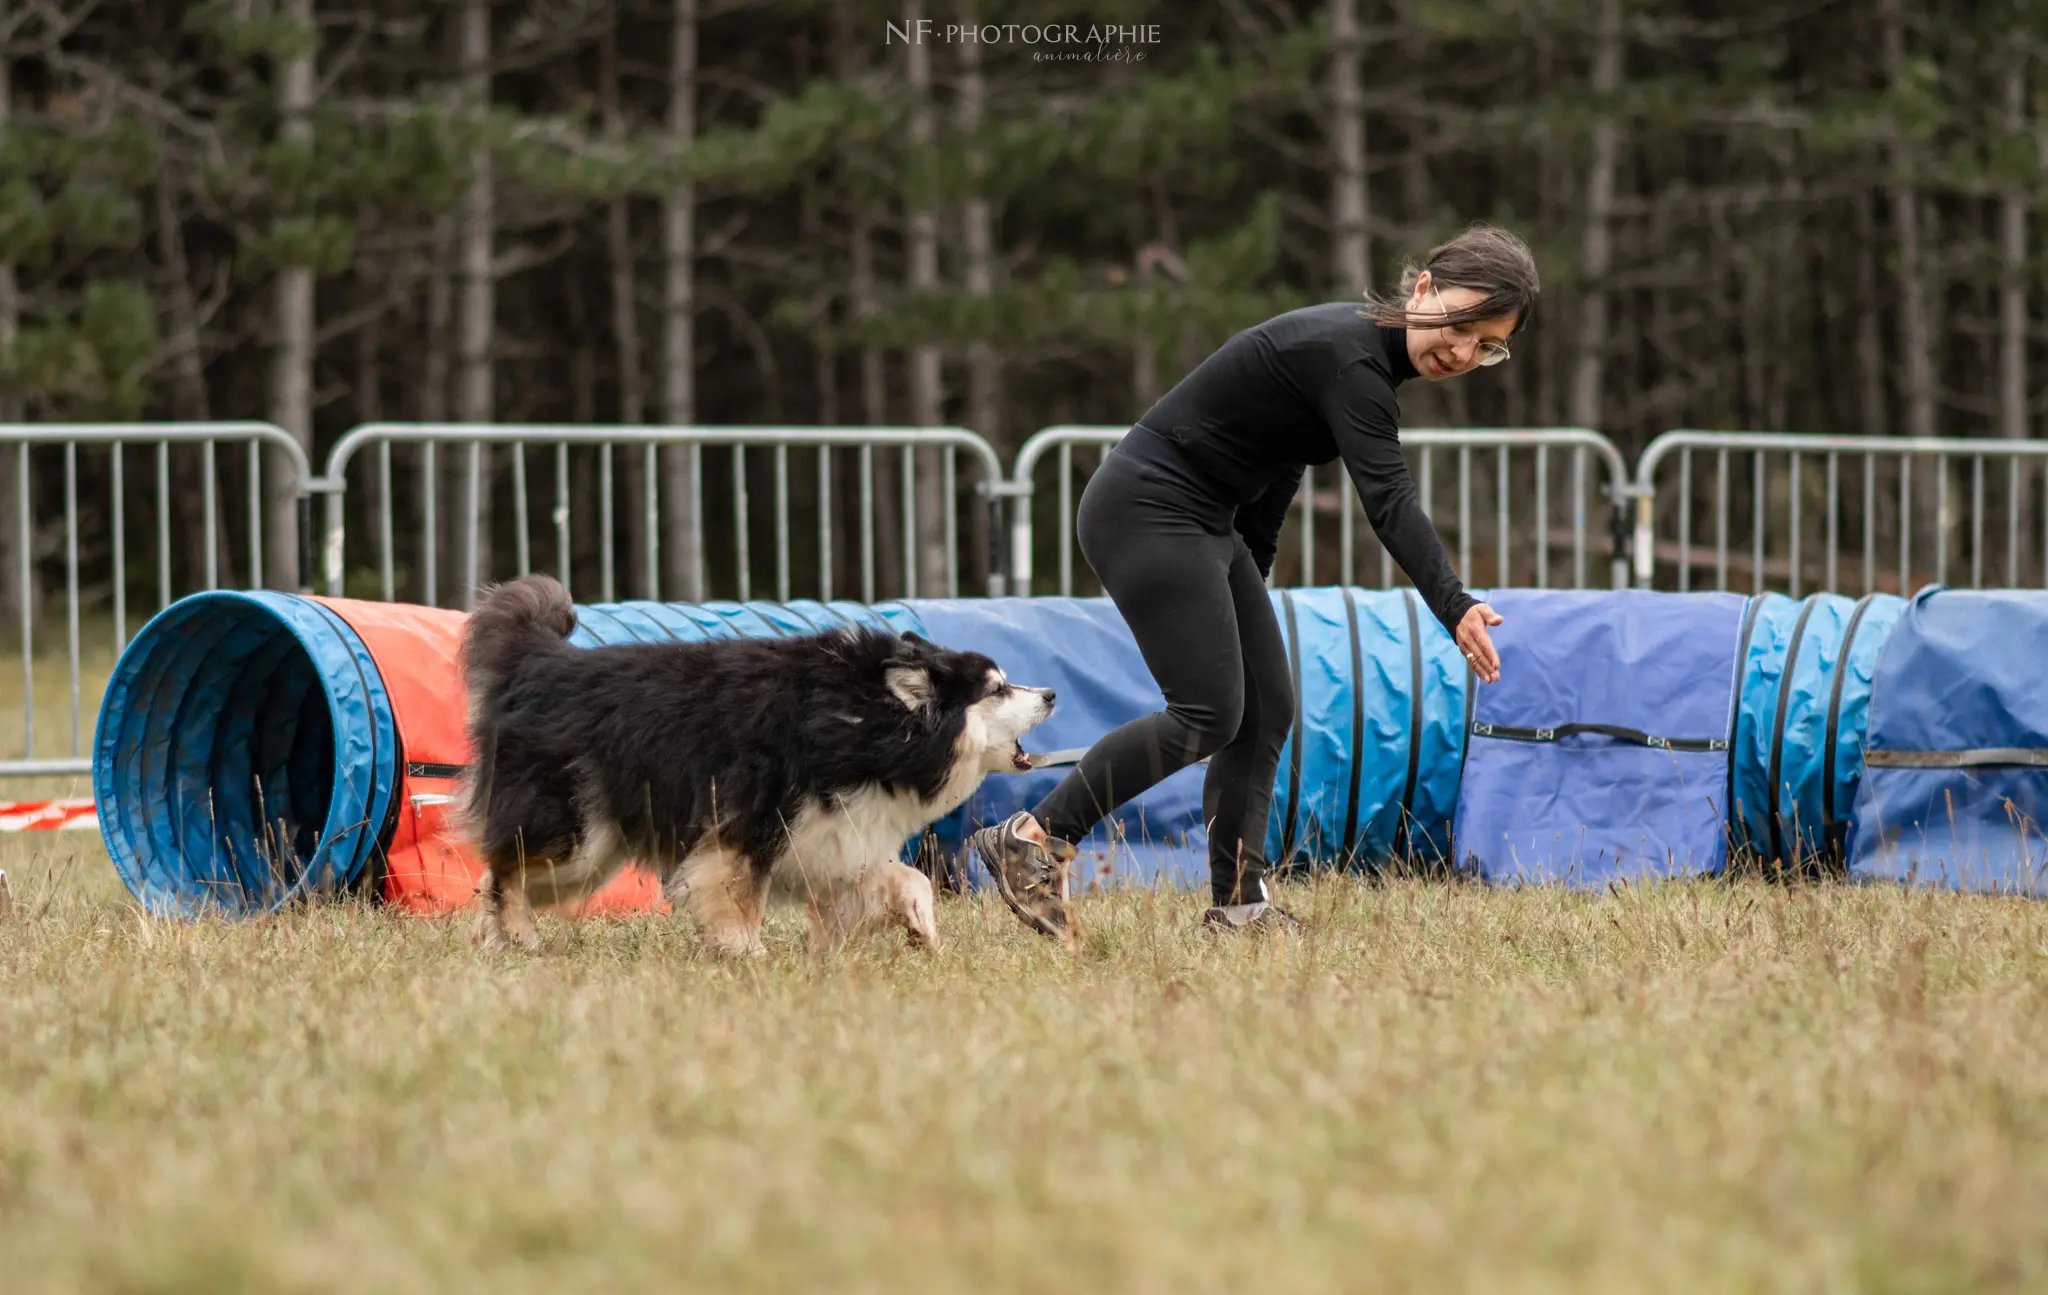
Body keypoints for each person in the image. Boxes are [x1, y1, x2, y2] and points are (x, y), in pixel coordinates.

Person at [970, 221, 1539, 941]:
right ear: (1424, 288)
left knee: (1266, 706)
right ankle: (1034, 836)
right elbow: (1389, 503)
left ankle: (1239, 906)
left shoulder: (1358, 361)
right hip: (1147, 505)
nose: (1462, 351)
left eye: (1486, 345)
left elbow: (1276, 465)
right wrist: (1454, 605)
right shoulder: (1352, 360)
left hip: (1205, 520)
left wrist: (1250, 587)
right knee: (1207, 713)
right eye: (1461, 325)